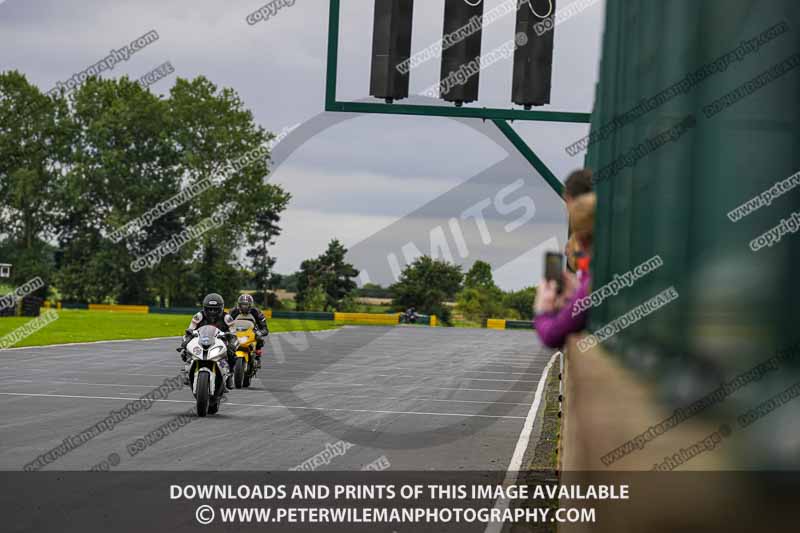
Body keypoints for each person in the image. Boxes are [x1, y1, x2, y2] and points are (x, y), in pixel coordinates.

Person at [534, 193, 596, 348]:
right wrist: (574, 293)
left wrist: (542, 309)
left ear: (580, 240)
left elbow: (552, 335)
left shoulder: (592, 282)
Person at [177, 293, 235, 385]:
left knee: (232, 352)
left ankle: (230, 374)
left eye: (215, 309)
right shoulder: (199, 316)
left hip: (221, 339)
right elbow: (190, 329)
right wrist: (186, 339)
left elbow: (233, 332)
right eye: (209, 309)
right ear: (205, 308)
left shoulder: (227, 318)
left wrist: (230, 339)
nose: (212, 312)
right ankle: (187, 369)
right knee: (186, 348)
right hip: (201, 338)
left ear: (221, 308)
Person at [228, 294, 269, 368]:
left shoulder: (256, 312)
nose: (244, 307)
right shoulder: (233, 312)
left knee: (259, 339)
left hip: (251, 332)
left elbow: (265, 328)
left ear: (250, 305)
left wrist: (259, 332)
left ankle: (257, 357)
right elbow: (226, 323)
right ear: (239, 304)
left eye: (246, 305)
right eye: (242, 304)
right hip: (236, 332)